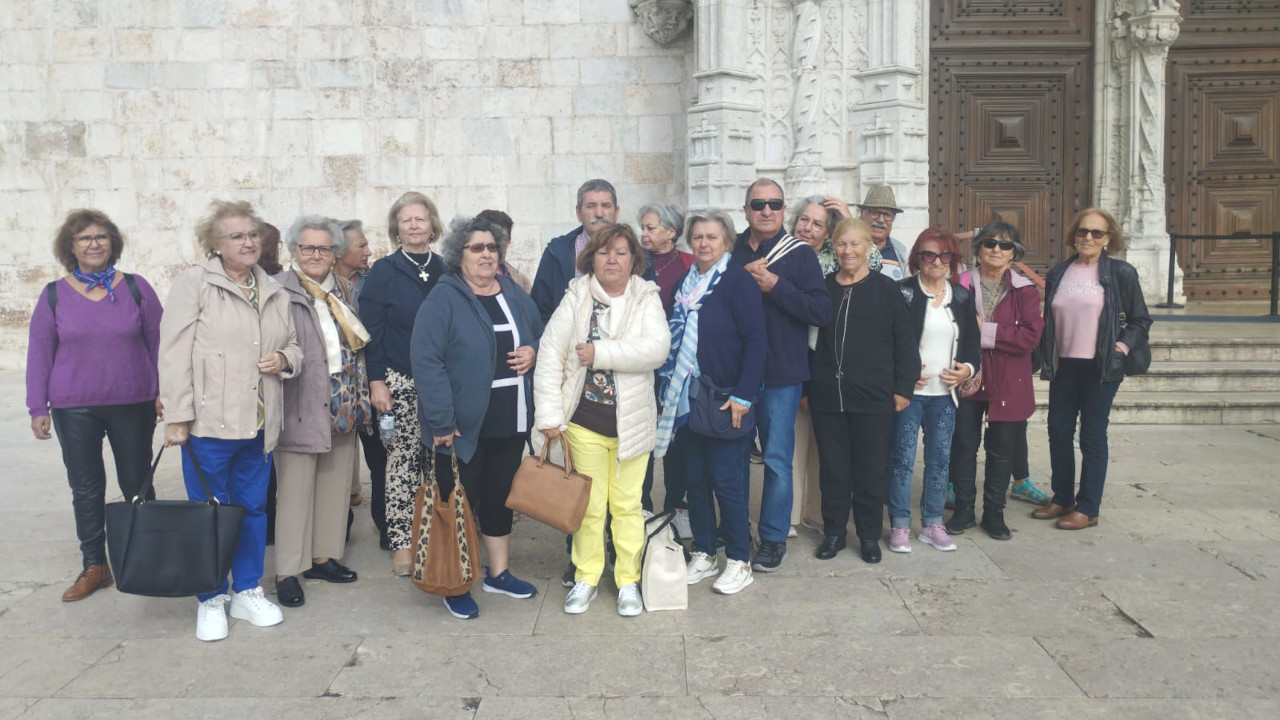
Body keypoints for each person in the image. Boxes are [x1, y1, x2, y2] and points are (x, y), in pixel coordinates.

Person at [159, 199, 302, 641]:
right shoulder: (195, 284)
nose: (248, 242)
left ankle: (246, 589)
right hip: (210, 424)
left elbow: (295, 345)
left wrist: (283, 359)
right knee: (210, 513)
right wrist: (178, 416)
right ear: (215, 244)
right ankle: (210, 597)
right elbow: (174, 352)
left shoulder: (273, 287)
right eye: (237, 236)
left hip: (259, 423)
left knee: (253, 510)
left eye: (253, 234)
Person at [26, 209, 163, 602]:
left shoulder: (136, 288)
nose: (94, 244)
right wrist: (38, 407)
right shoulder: (54, 294)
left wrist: (163, 391)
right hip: (73, 406)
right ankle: (95, 565)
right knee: (86, 487)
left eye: (101, 236)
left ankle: (144, 557)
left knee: (136, 482)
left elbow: (159, 344)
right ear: (70, 247)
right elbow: (39, 354)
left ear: (113, 243)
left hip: (132, 400)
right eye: (84, 238)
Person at [534, 223, 670, 616]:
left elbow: (656, 349)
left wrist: (600, 353)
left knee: (627, 507)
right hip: (583, 423)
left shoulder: (646, 297)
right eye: (604, 252)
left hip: (632, 424)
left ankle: (628, 580)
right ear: (590, 258)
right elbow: (550, 357)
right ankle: (587, 577)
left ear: (634, 260)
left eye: (621, 252)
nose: (612, 259)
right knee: (590, 506)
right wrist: (549, 414)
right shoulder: (576, 297)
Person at [411, 216, 543, 620]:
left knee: (499, 499)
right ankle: (454, 580)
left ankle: (497, 573)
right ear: (459, 255)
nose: (486, 254)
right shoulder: (443, 298)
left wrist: (533, 350)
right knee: (457, 502)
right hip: (460, 425)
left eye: (492, 247)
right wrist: (440, 419)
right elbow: (426, 361)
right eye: (476, 248)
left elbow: (539, 333)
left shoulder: (514, 295)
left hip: (509, 418)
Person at [657, 210, 766, 596]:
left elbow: (756, 341)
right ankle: (704, 552)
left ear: (726, 242)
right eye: (698, 237)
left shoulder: (737, 282)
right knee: (696, 482)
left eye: (712, 237)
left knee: (728, 484)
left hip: (725, 399)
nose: (703, 243)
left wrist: (743, 394)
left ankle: (739, 560)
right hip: (687, 399)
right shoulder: (687, 283)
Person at [731, 179, 832, 572]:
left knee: (776, 459)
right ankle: (737, 530)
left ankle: (773, 537)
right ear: (746, 210)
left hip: (781, 374)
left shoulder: (800, 255)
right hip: (736, 373)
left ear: (783, 209)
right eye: (758, 203)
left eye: (774, 203)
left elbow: (820, 311)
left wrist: (775, 286)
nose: (767, 210)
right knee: (734, 457)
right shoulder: (732, 249)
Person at [271, 216, 371, 608]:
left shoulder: (343, 288)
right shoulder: (279, 290)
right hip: (300, 400)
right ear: (293, 251)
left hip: (342, 397)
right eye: (307, 248)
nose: (316, 255)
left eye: (324, 248)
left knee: (334, 484)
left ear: (334, 253)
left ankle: (322, 557)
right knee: (295, 492)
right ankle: (286, 571)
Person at [1034, 209, 1152, 530]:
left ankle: (1088, 507)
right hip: (1064, 365)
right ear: (1074, 235)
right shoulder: (1059, 273)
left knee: (1092, 435)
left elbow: (1141, 320)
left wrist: (1120, 348)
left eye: (1096, 233)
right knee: (1058, 430)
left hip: (1101, 367)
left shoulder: (1120, 273)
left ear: (1108, 239)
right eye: (1083, 231)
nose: (1088, 238)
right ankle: (1062, 497)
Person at [810, 219, 918, 564]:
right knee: (834, 470)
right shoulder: (823, 288)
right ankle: (835, 533)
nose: (848, 251)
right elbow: (809, 345)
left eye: (856, 244)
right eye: (842, 244)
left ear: (869, 249)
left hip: (873, 397)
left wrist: (903, 388)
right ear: (833, 248)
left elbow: (905, 344)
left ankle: (869, 535)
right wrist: (807, 387)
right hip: (829, 397)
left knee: (871, 471)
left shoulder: (886, 290)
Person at [359, 191, 446, 574]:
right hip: (400, 379)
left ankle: (433, 535)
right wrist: (377, 382)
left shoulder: (445, 268)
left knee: (436, 464)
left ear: (432, 225)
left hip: (440, 382)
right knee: (402, 464)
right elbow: (371, 333)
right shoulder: (383, 271)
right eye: (406, 220)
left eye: (420, 219)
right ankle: (401, 542)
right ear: (397, 227)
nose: (413, 225)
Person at [945, 222, 1045, 540]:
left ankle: (994, 513)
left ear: (1015, 253)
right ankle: (962, 509)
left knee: (1002, 448)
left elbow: (1029, 336)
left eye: (1005, 246)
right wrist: (998, 337)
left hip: (1009, 379)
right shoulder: (959, 285)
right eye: (989, 243)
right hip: (965, 375)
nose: (996, 250)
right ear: (978, 248)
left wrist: (983, 332)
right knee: (963, 445)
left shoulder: (1025, 290)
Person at [886, 228, 979, 553]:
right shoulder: (902, 293)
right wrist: (903, 376)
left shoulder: (962, 297)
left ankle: (933, 523)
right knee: (902, 459)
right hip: (909, 396)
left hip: (945, 397)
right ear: (917, 259)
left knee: (940, 461)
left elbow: (971, 346)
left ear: (953, 260)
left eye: (944, 256)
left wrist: (966, 370)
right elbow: (887, 343)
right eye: (928, 254)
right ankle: (899, 524)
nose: (936, 261)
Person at [788, 195, 851, 533]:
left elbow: (867, 256)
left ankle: (813, 512)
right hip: (788, 356)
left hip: (825, 359)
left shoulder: (832, 260)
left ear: (827, 234)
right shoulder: (780, 252)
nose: (808, 229)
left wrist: (845, 216)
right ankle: (789, 515)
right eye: (804, 220)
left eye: (817, 224)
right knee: (791, 442)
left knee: (822, 446)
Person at [635, 202, 694, 527]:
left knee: (676, 437)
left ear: (672, 232)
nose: (643, 233)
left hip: (677, 364)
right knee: (642, 434)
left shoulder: (688, 263)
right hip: (641, 362)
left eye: (651, 227)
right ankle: (640, 504)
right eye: (642, 227)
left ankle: (676, 505)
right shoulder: (633, 260)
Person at [335, 219, 387, 539]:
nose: (369, 251)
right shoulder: (321, 288)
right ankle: (336, 527)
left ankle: (386, 525)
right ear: (339, 252)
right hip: (336, 391)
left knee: (380, 458)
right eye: (362, 246)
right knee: (335, 465)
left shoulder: (373, 284)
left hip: (371, 386)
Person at [531, 179, 623, 324]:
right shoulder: (556, 252)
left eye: (606, 206)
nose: (599, 213)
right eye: (591, 206)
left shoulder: (637, 254)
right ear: (578, 213)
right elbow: (540, 310)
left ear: (616, 212)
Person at [856, 185, 911, 281]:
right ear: (862, 213)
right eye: (875, 212)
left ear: (893, 218)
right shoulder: (850, 248)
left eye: (887, 214)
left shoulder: (901, 252)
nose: (881, 220)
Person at [476, 209, 532, 293]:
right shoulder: (460, 279)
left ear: (509, 241)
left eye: (503, 238)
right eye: (493, 237)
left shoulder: (520, 282)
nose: (498, 244)